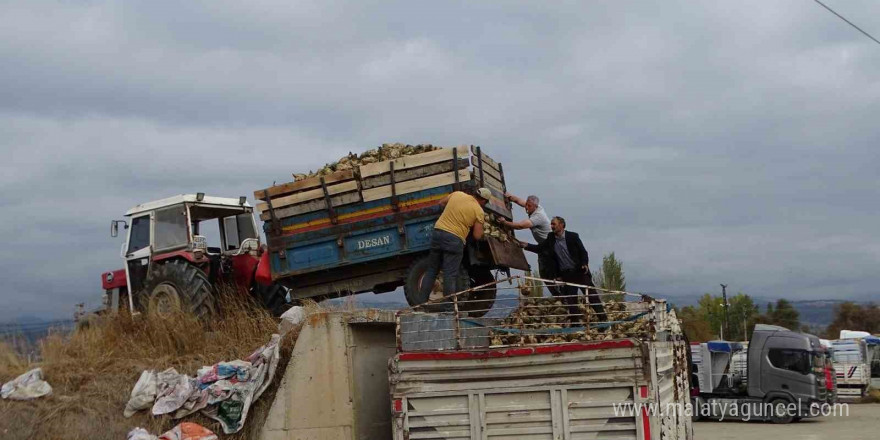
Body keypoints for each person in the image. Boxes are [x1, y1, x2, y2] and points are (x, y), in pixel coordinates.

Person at [518, 216, 606, 322]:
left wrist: (584, 263)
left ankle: (603, 320)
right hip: (566, 275)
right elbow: (540, 248)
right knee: (571, 301)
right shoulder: (551, 238)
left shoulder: (573, 236)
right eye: (551, 224)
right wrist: (526, 245)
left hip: (579, 272)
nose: (551, 226)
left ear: (561, 225)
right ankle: (575, 324)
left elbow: (583, 252)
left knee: (592, 296)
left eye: (554, 224)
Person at [420, 188, 490, 302]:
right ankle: (448, 309)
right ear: (483, 201)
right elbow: (477, 235)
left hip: (438, 232)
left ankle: (420, 304)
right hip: (454, 239)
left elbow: (441, 203)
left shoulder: (457, 194)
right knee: (450, 275)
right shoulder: (479, 211)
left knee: (432, 270)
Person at [501, 193, 554, 283]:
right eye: (526, 205)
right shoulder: (533, 207)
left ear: (535, 206)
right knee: (544, 272)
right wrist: (509, 196)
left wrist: (504, 222)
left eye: (529, 206)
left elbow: (520, 226)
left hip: (549, 247)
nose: (526, 208)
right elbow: (519, 200)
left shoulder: (539, 216)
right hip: (542, 246)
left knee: (548, 272)